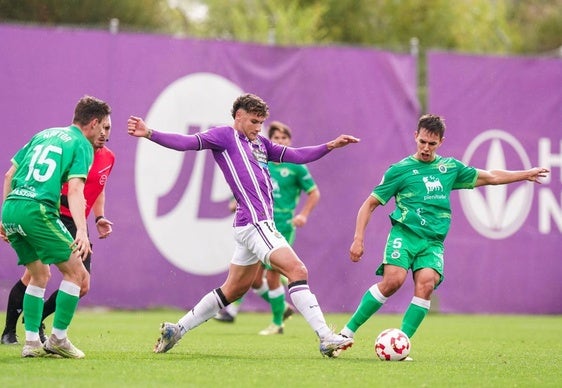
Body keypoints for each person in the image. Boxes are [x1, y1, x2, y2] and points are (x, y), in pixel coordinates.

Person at [127, 93, 358, 357]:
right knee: (297, 269)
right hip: (256, 222)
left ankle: (177, 329)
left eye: (261, 122)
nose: (258, 128)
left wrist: (329, 145)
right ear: (238, 116)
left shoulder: (260, 143)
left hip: (249, 225)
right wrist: (149, 133)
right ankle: (325, 337)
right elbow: (187, 143)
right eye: (253, 121)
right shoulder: (224, 136)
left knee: (234, 289)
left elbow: (295, 155)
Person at [333, 114, 549, 359]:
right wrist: (358, 239)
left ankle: (399, 345)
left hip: (432, 242)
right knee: (393, 281)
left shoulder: (450, 169)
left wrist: (525, 173)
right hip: (405, 234)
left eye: (432, 144)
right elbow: (369, 204)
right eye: (422, 141)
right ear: (415, 136)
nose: (426, 148)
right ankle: (346, 333)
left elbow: (491, 176)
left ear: (441, 142)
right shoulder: (399, 170)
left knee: (426, 285)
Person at [0, 95, 111, 358]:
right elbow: (75, 189)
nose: (105, 133)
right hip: (38, 210)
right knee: (78, 275)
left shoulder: (44, 133)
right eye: (104, 126)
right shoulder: (82, 144)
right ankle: (58, 338)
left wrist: (4, 216)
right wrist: (82, 231)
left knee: (39, 275)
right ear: (93, 123)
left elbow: (9, 175)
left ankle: (31, 344)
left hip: (13, 207)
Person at [215, 121, 320, 336]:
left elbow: (314, 193)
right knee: (254, 279)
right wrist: (239, 201)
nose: (280, 141)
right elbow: (250, 186)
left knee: (272, 276)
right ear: (270, 140)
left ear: (289, 141)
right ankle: (282, 308)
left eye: (284, 138)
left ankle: (277, 323)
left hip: (283, 225)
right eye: (276, 138)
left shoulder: (296, 166)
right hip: (260, 222)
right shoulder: (263, 161)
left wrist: (303, 215)